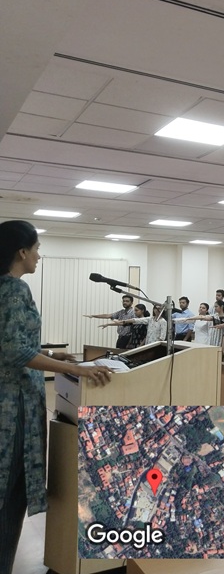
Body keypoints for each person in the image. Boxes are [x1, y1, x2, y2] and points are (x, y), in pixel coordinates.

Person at [0, 220, 112, 571]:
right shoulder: (14, 289)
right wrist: (76, 369)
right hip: (13, 407)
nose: (38, 256)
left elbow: (13, 342)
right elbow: (14, 351)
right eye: (36, 249)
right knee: (10, 493)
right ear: (21, 252)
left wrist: (51, 355)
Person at [101, 304, 168, 346]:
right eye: (155, 308)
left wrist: (156, 345)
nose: (157, 310)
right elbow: (136, 320)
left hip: (155, 345)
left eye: (159, 309)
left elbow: (162, 337)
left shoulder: (163, 321)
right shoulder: (150, 319)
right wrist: (123, 321)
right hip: (147, 344)